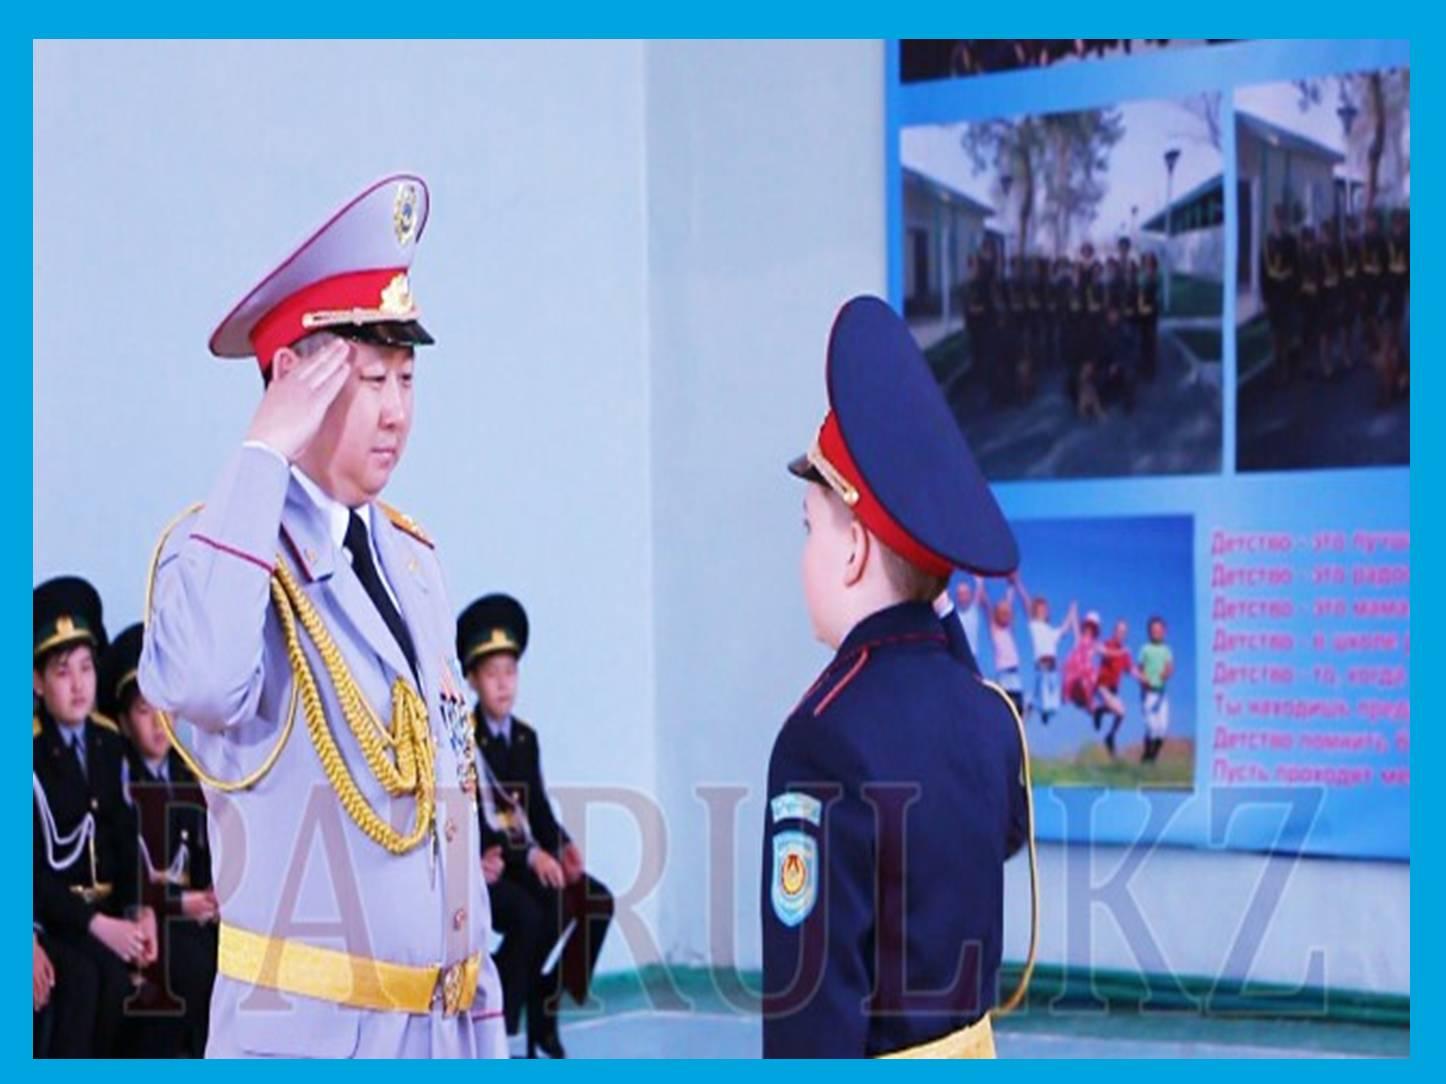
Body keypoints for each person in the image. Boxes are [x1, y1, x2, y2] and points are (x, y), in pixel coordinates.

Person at [138, 174, 507, 1058]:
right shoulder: (222, 556)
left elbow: (446, 794)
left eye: (407, 378)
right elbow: (200, 683)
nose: (396, 411)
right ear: (291, 385)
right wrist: (263, 453)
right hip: (311, 1039)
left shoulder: (412, 560)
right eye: (370, 378)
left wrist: (481, 1010)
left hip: (439, 1029)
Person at [763, 295, 1035, 1058]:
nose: (805, 556)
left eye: (810, 529)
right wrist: (940, 612)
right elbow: (1006, 831)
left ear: (853, 552)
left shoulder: (822, 740)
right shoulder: (984, 714)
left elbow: (812, 1012)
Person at [458, 593, 614, 1059]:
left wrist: (562, 847)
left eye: (511, 671)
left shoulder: (525, 738)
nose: (503, 684)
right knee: (533, 915)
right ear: (472, 679)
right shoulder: (464, 739)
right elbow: (470, 816)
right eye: (492, 674)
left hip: (528, 861)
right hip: (490, 867)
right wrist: (528, 856)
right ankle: (501, 1027)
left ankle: (546, 998)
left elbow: (538, 811)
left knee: (594, 900)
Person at [33, 576, 154, 1057]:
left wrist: (139, 909)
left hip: (106, 913)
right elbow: (31, 872)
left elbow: (126, 838)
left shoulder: (108, 743)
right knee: (85, 980)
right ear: (38, 683)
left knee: (148, 978)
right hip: (59, 919)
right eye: (63, 672)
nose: (79, 684)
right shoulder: (29, 753)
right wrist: (99, 925)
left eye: (86, 668)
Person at [101, 623, 218, 1057]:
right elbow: (121, 872)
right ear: (123, 721)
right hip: (147, 918)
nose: (158, 724)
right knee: (181, 966)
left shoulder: (190, 777)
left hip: (194, 919)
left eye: (166, 710)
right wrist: (178, 903)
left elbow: (206, 854)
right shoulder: (117, 782)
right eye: (144, 711)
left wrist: (213, 893)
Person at [1015, 579, 1075, 725]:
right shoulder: (1034, 625)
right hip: (1042, 667)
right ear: (1035, 611)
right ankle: (1026, 715)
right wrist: (1018, 583)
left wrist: (1071, 612)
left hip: (1053, 670)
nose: (1044, 611)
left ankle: (1042, 711)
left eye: (1045, 609)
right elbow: (1026, 602)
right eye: (1040, 608)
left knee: (1051, 705)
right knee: (1037, 698)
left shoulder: (1051, 631)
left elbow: (1065, 629)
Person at [1262, 203, 1299, 384]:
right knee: (1274, 333)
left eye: (1281, 218)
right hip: (1273, 294)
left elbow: (1296, 267)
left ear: (1285, 220)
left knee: (1286, 333)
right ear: (1273, 220)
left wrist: (1294, 289)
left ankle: (1285, 367)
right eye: (1276, 218)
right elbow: (1263, 272)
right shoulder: (1267, 242)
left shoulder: (1291, 241)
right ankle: (1276, 366)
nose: (1279, 222)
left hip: (1287, 292)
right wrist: (1265, 297)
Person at [1137, 616, 1175, 764]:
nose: (1156, 633)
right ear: (1149, 632)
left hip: (1162, 694)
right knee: (1152, 728)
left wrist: (1167, 673)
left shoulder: (1166, 650)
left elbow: (1170, 667)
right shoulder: (1145, 649)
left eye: (1159, 630)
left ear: (1164, 632)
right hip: (1148, 693)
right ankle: (1148, 755)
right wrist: (1143, 679)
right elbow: (1139, 669)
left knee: (1163, 728)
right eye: (1153, 630)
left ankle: (1152, 756)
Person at [1095, 620, 1132, 756]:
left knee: (1121, 713)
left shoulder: (1124, 653)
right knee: (1116, 709)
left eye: (1124, 632)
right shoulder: (1107, 644)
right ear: (1114, 631)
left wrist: (1145, 678)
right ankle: (1099, 711)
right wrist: (1120, 652)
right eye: (1119, 631)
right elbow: (1102, 652)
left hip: (1114, 690)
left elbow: (1131, 670)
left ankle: (1110, 736)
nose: (1120, 634)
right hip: (1102, 685)